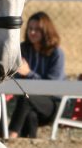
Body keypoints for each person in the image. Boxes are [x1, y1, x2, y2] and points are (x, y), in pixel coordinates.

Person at [8, 11, 66, 139]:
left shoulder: (56, 53)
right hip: (27, 104)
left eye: (37, 30)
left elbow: (52, 87)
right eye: (30, 28)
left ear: (46, 31)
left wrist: (28, 73)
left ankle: (11, 136)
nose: (32, 32)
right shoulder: (23, 49)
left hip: (51, 105)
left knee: (26, 98)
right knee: (30, 115)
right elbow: (15, 77)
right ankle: (29, 143)